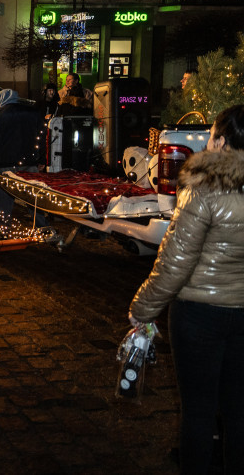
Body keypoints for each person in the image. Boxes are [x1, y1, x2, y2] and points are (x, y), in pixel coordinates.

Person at [129, 104, 244, 475]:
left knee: (198, 412)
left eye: (211, 135)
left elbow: (175, 261)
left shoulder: (204, 187)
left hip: (199, 314)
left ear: (222, 141)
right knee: (239, 412)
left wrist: (143, 310)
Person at [0, 89, 45, 234]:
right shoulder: (33, 113)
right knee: (33, 197)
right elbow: (41, 137)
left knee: (3, 199)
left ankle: (3, 229)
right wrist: (41, 158)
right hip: (29, 162)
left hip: (4, 162)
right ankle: (41, 227)